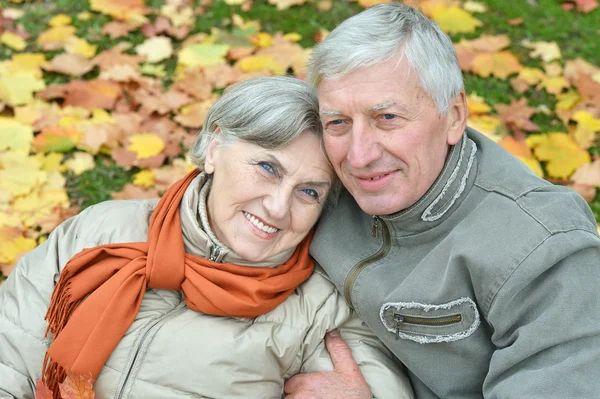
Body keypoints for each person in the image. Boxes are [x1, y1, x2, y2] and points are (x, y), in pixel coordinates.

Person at [0, 76, 414, 399]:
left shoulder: (324, 308)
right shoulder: (99, 232)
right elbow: (9, 355)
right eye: (268, 168)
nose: (277, 207)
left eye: (309, 191)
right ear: (215, 148)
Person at [284, 3, 600, 398]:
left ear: (453, 116)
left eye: (387, 118)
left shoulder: (545, 250)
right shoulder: (312, 178)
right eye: (338, 123)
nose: (359, 156)